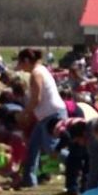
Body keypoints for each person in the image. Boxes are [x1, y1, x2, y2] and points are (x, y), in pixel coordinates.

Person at [17, 48, 67, 187]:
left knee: (52, 148)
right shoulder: (42, 69)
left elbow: (36, 99)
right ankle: (28, 180)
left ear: (26, 61)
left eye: (21, 63)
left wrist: (24, 113)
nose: (20, 67)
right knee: (33, 146)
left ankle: (79, 163)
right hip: (45, 116)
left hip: (52, 114)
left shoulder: (36, 73)